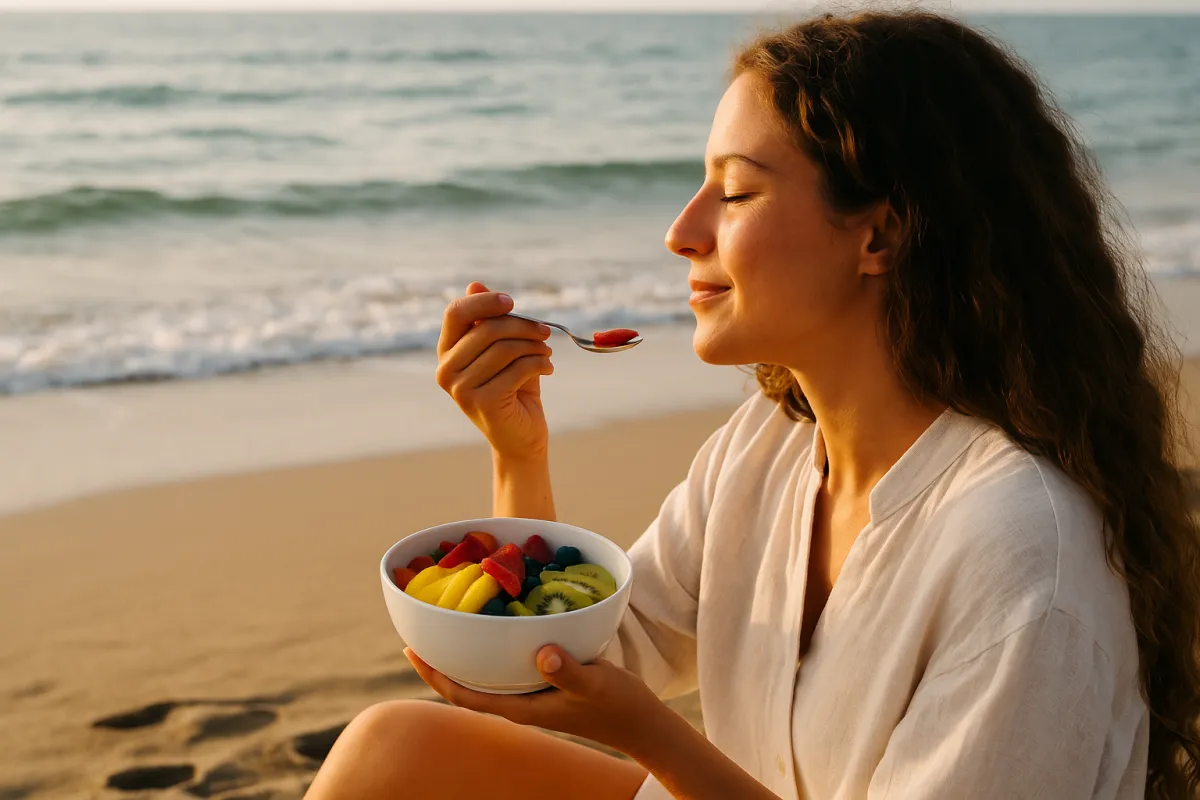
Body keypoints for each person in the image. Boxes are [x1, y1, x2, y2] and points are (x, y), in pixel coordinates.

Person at [306, 10, 1200, 800]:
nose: (681, 230)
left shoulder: (1023, 553)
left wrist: (651, 735)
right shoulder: (766, 446)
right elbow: (582, 662)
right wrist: (517, 451)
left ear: (880, 233)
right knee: (394, 747)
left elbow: (615, 702)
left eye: (735, 192)